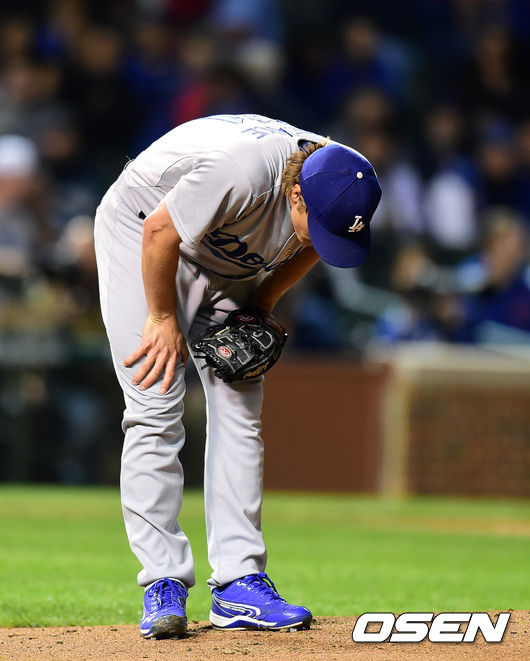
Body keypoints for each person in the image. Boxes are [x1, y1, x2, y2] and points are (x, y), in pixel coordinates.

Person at [93, 114, 381, 639]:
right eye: (316, 223)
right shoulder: (243, 171)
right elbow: (160, 231)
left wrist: (262, 304)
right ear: (296, 195)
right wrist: (162, 317)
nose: (323, 239)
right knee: (155, 402)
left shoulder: (337, 182)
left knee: (240, 409)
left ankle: (238, 582)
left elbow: (315, 243)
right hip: (144, 232)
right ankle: (162, 580)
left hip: (225, 260)